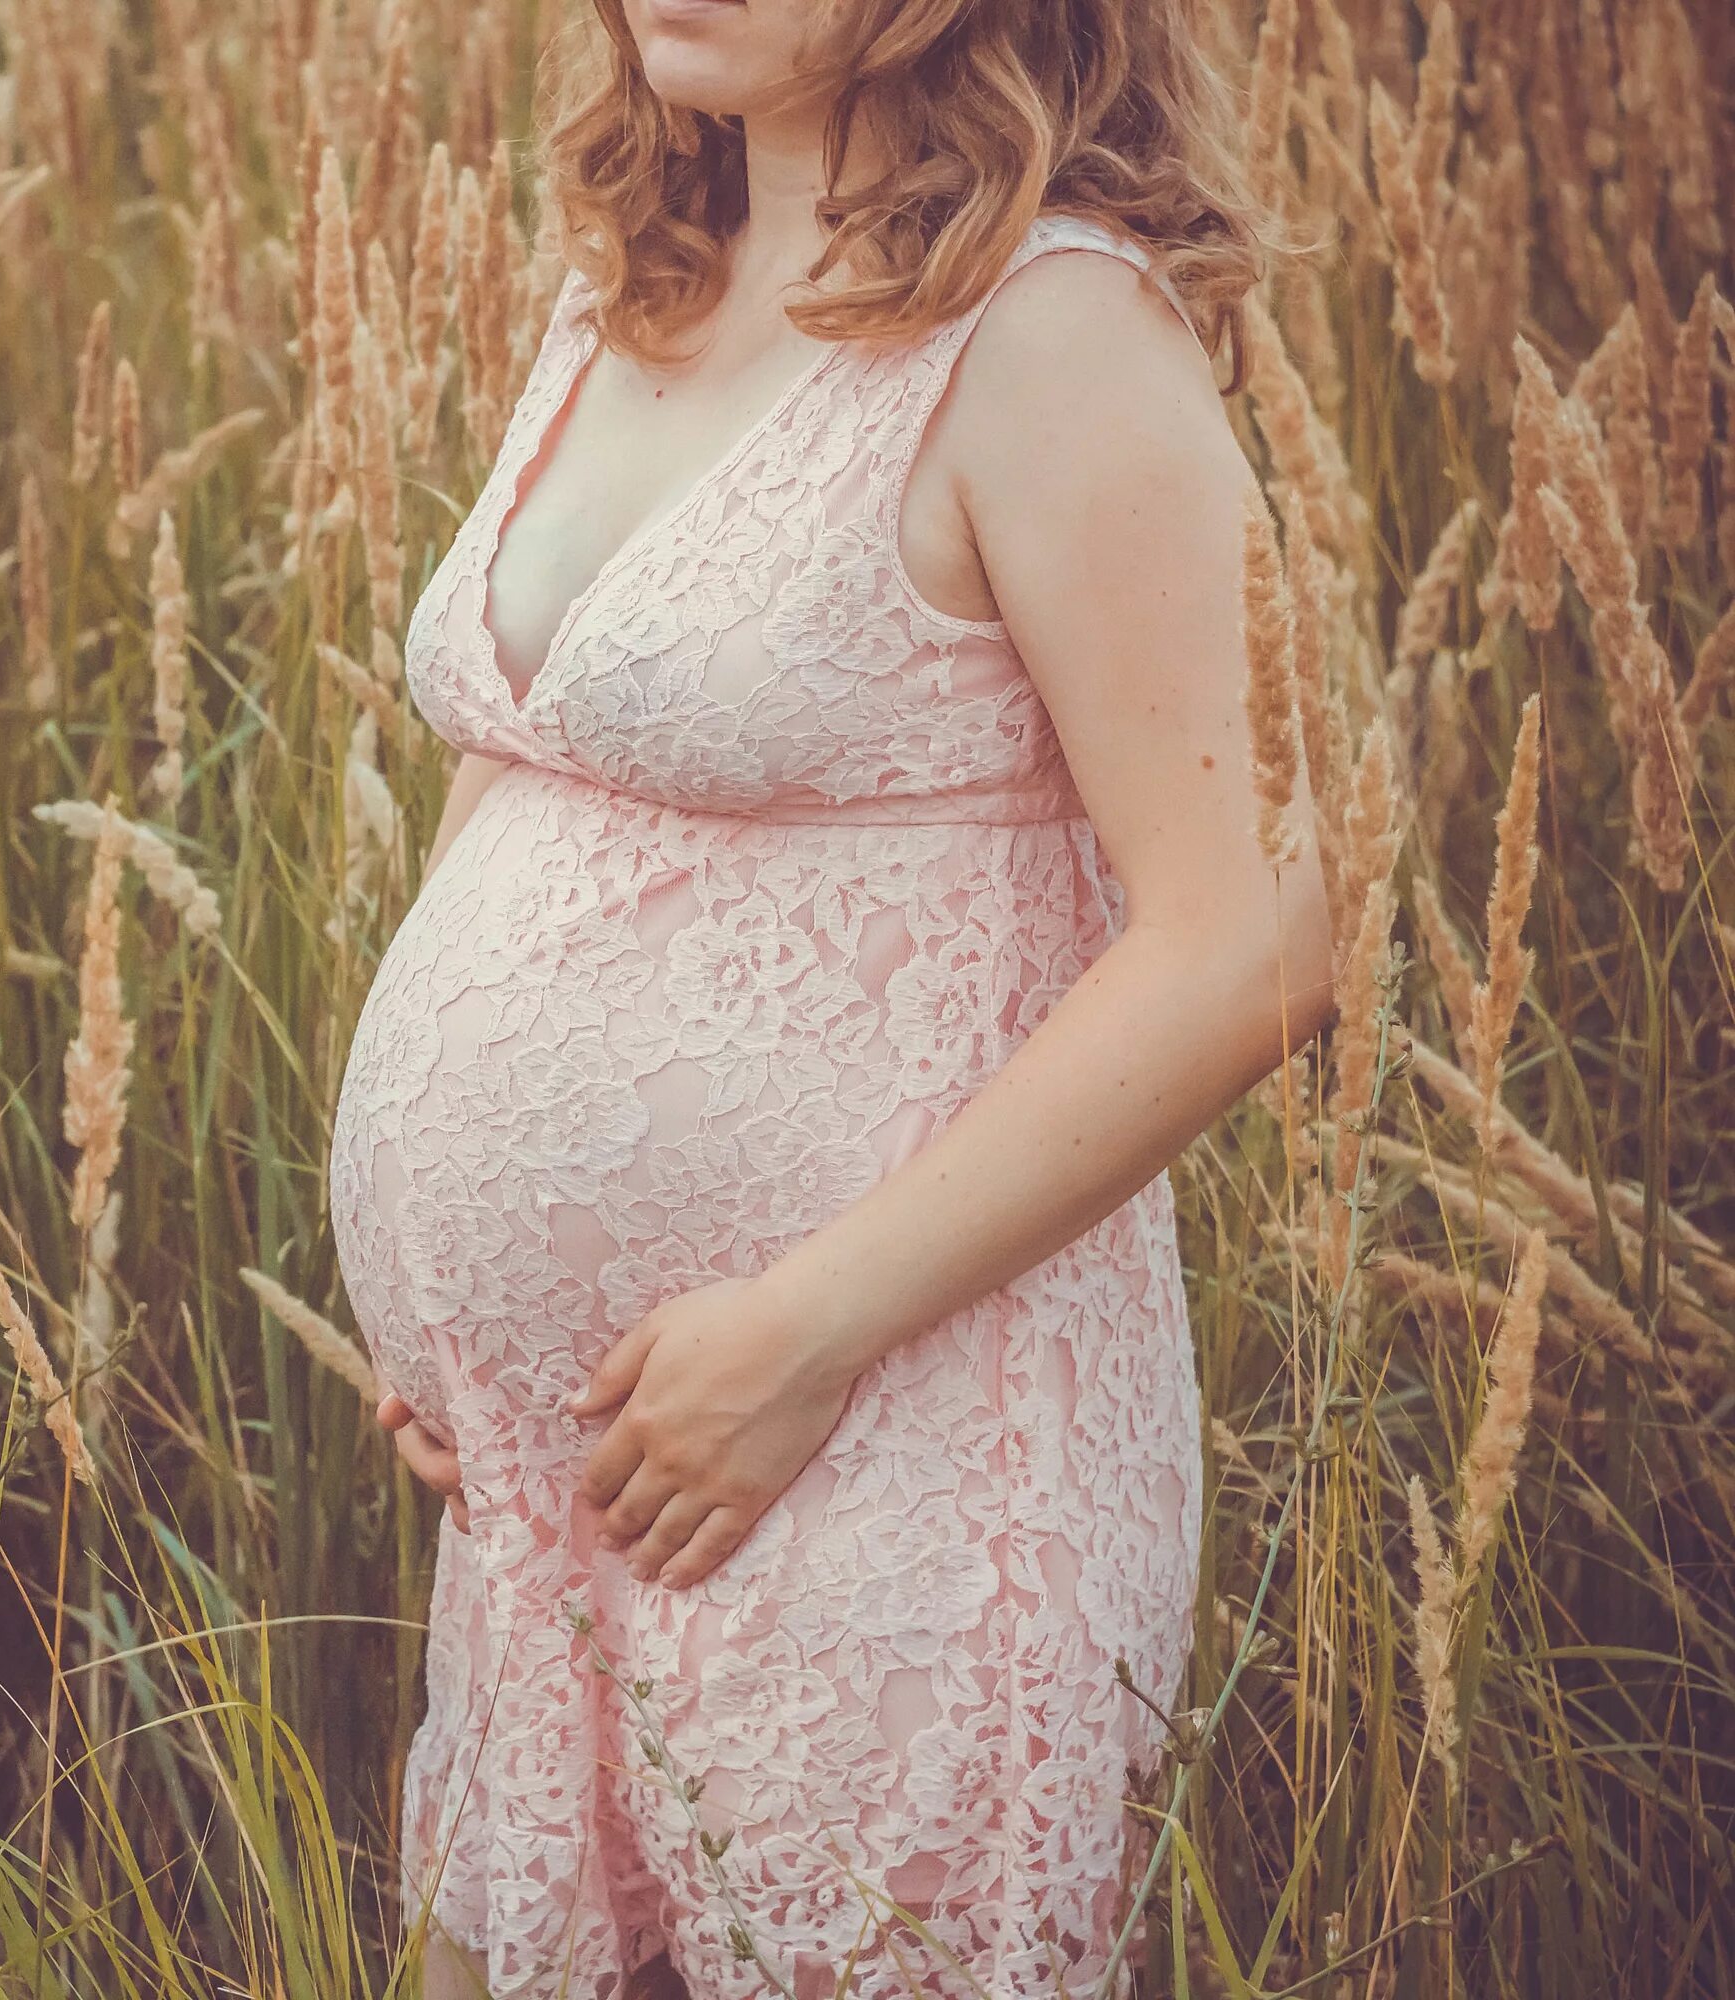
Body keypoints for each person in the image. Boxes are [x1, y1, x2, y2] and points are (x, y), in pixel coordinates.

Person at [321, 2, 1332, 1995]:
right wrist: (450, 1309)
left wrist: (809, 1326)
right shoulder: (631, 291)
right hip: (567, 1493)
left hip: (881, 1435)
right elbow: (524, 751)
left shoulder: (1050, 334)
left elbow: (1263, 924)